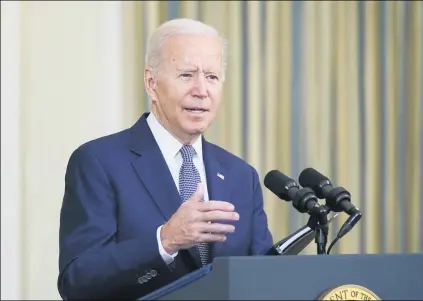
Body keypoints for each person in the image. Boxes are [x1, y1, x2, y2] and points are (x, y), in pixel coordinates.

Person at [57, 18, 273, 300]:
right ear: (151, 82)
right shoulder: (99, 162)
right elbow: (77, 281)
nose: (201, 90)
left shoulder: (240, 175)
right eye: (186, 75)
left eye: (212, 77)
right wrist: (165, 241)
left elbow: (264, 276)